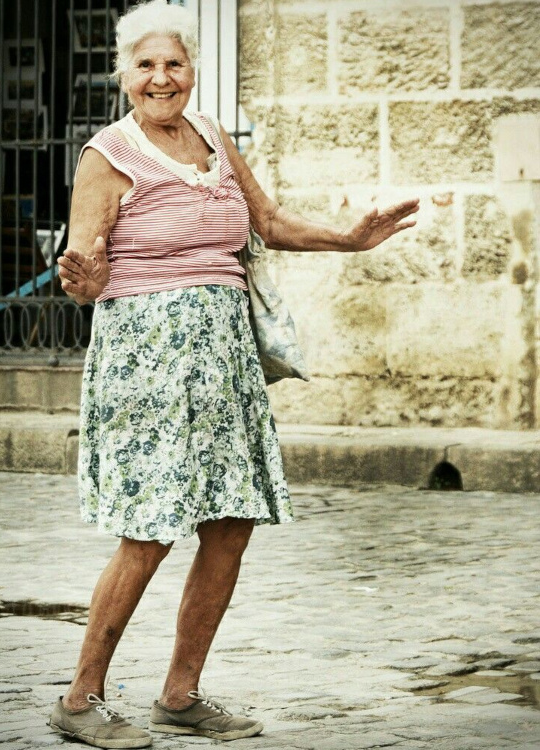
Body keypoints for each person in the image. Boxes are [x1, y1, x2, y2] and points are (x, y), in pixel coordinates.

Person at [49, 1, 420, 747]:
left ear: (193, 69)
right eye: (146, 65)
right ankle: (81, 699)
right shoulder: (107, 155)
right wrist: (83, 280)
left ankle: (180, 695)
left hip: (223, 364)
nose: (161, 78)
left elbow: (269, 224)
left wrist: (349, 240)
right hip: (149, 367)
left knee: (229, 524)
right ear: (124, 74)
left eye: (174, 63)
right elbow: (86, 271)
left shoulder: (212, 137)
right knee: (150, 530)